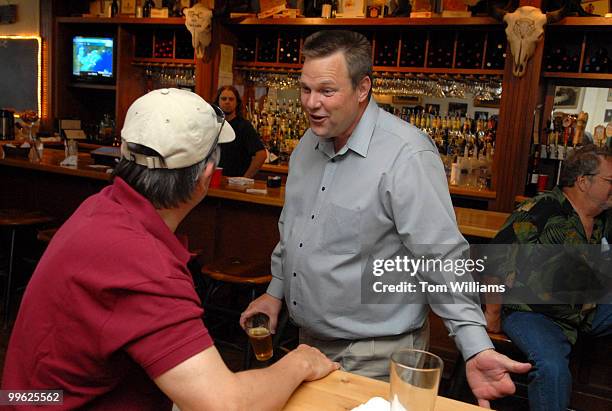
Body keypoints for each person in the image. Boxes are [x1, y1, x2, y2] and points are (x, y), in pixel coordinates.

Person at [241, 30, 531, 408]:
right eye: (305, 89)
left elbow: (441, 257)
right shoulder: (306, 148)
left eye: (327, 91)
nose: (312, 103)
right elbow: (293, 233)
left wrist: (475, 347)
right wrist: (273, 292)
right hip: (309, 345)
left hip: (377, 355)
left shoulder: (406, 155)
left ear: (363, 88)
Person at [2, 88, 338, 410]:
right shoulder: (142, 263)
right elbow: (226, 404)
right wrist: (300, 361)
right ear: (207, 175)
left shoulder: (102, 207)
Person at [484, 144, 612, 411]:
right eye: (610, 180)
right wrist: (493, 314)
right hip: (533, 313)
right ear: (583, 181)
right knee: (552, 367)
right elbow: (495, 259)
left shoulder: (601, 218)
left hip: (582, 310)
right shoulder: (542, 209)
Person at [214, 85, 267, 178]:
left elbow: (261, 155)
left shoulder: (244, 126)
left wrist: (245, 178)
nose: (227, 102)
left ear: (237, 103)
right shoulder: (213, 125)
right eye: (223, 99)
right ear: (218, 102)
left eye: (231, 99)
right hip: (214, 180)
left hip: (235, 183)